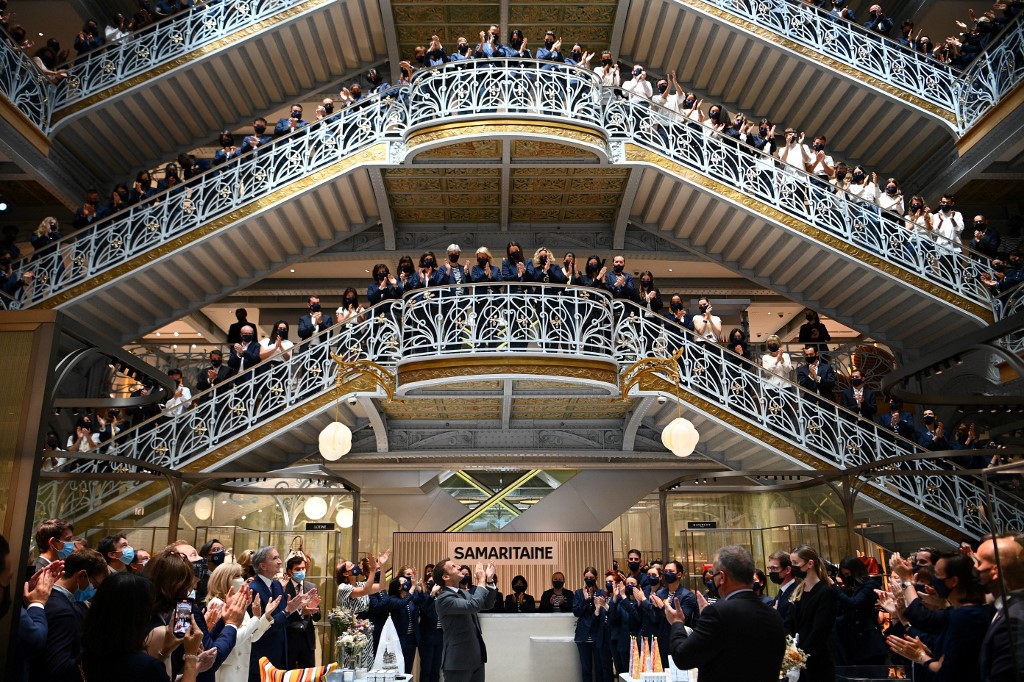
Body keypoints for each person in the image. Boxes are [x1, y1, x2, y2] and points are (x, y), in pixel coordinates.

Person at [665, 545, 786, 682]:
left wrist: (677, 623)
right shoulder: (773, 614)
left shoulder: (718, 613)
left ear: (721, 577)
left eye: (713, 574)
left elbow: (683, 657)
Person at [80, 571, 202, 682]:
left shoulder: (83, 656)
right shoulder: (145, 666)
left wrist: (165, 651)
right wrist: (190, 658)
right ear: (137, 615)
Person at [31, 548, 108, 682]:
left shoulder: (45, 596)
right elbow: (58, 668)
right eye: (95, 585)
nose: (94, 590)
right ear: (81, 575)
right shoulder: (63, 612)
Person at [247, 546, 313, 682]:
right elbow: (259, 628)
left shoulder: (276, 585)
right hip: (262, 657)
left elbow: (285, 616)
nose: (280, 561)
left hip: (281, 654)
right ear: (263, 565)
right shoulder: (253, 590)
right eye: (275, 558)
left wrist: (300, 611)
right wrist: (288, 611)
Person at [205, 562, 278, 682]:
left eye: (241, 575)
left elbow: (251, 637)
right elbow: (233, 638)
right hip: (226, 672)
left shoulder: (238, 604)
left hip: (241, 670)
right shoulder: (217, 603)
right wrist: (255, 619)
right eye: (237, 576)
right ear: (225, 580)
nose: (242, 579)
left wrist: (265, 616)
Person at [432, 558, 498, 682]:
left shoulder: (463, 593)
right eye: (453, 566)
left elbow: (487, 604)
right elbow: (473, 605)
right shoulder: (443, 598)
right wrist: (481, 580)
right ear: (446, 577)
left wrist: (488, 580)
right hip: (458, 661)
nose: (459, 567)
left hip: (476, 658)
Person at [975, 534, 1024, 682]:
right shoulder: (1005, 606)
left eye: (978, 562)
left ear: (994, 571)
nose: (974, 568)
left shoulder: (1014, 619)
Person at [788, 545, 838, 682]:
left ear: (810, 564)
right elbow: (790, 623)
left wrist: (800, 657)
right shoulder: (798, 591)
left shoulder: (826, 592)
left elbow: (820, 631)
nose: (793, 567)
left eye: (796, 563)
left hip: (817, 662)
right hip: (796, 658)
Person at [832, 556, 886, 665]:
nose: (847, 577)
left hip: (869, 642)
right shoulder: (851, 588)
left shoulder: (870, 585)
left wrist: (836, 588)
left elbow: (854, 603)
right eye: (845, 575)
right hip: (853, 642)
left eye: (848, 574)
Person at [573, 566, 612, 682]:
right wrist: (585, 600)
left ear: (596, 578)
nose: (589, 579)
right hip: (583, 636)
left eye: (591, 577)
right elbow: (576, 612)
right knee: (586, 669)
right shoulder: (579, 593)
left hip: (598, 635)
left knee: (599, 668)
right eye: (586, 577)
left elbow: (603, 614)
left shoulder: (601, 593)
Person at [283, 555, 320, 668]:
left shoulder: (311, 587)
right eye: (297, 569)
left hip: (307, 640)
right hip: (290, 639)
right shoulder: (283, 588)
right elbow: (283, 615)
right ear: (290, 571)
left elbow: (318, 617)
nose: (301, 571)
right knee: (289, 675)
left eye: (303, 568)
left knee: (309, 675)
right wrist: (300, 611)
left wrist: (313, 610)